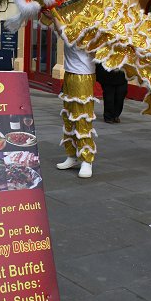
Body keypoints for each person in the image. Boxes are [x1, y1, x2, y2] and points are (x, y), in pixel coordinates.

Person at [44, 10, 96, 179]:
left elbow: (67, 36)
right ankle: (72, 155)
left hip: (83, 76)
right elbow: (62, 32)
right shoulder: (73, 26)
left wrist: (54, 15)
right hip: (70, 74)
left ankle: (87, 160)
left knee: (82, 118)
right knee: (68, 116)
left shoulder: (89, 30)